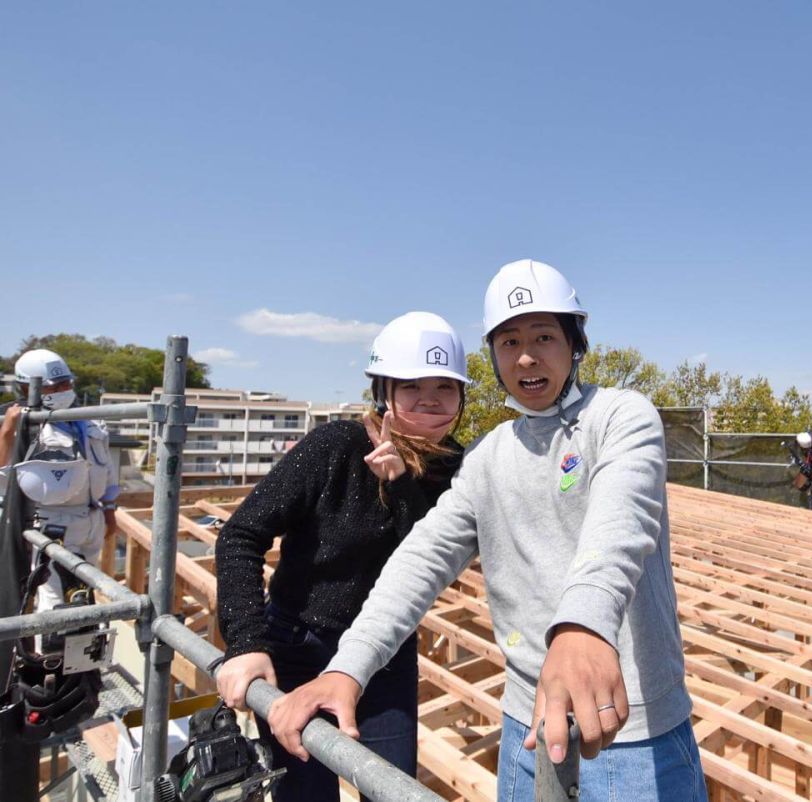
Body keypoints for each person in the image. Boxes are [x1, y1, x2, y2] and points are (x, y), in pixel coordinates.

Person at [268, 260, 706, 801]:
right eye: (508, 341)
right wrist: (347, 669)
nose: (526, 355)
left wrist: (582, 628)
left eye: (544, 336)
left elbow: (621, 525)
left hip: (632, 734)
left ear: (575, 344)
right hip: (525, 733)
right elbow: (420, 562)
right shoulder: (486, 458)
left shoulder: (621, 418)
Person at [214, 311, 470, 802]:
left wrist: (402, 485)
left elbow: (440, 558)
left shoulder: (455, 469)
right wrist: (246, 642)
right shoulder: (338, 447)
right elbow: (241, 534)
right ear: (383, 391)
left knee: (391, 789)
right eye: (413, 384)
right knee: (306, 793)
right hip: (299, 646)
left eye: (445, 385)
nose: (431, 397)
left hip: (386, 652)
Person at [0, 348, 119, 613]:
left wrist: (110, 510)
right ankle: (47, 653)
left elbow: (108, 469)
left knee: (85, 591)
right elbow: (2, 475)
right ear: (27, 387)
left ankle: (83, 649)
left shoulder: (89, 420)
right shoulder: (26, 422)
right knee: (53, 596)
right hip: (53, 521)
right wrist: (8, 432)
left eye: (67, 383)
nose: (64, 389)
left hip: (92, 518)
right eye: (55, 386)